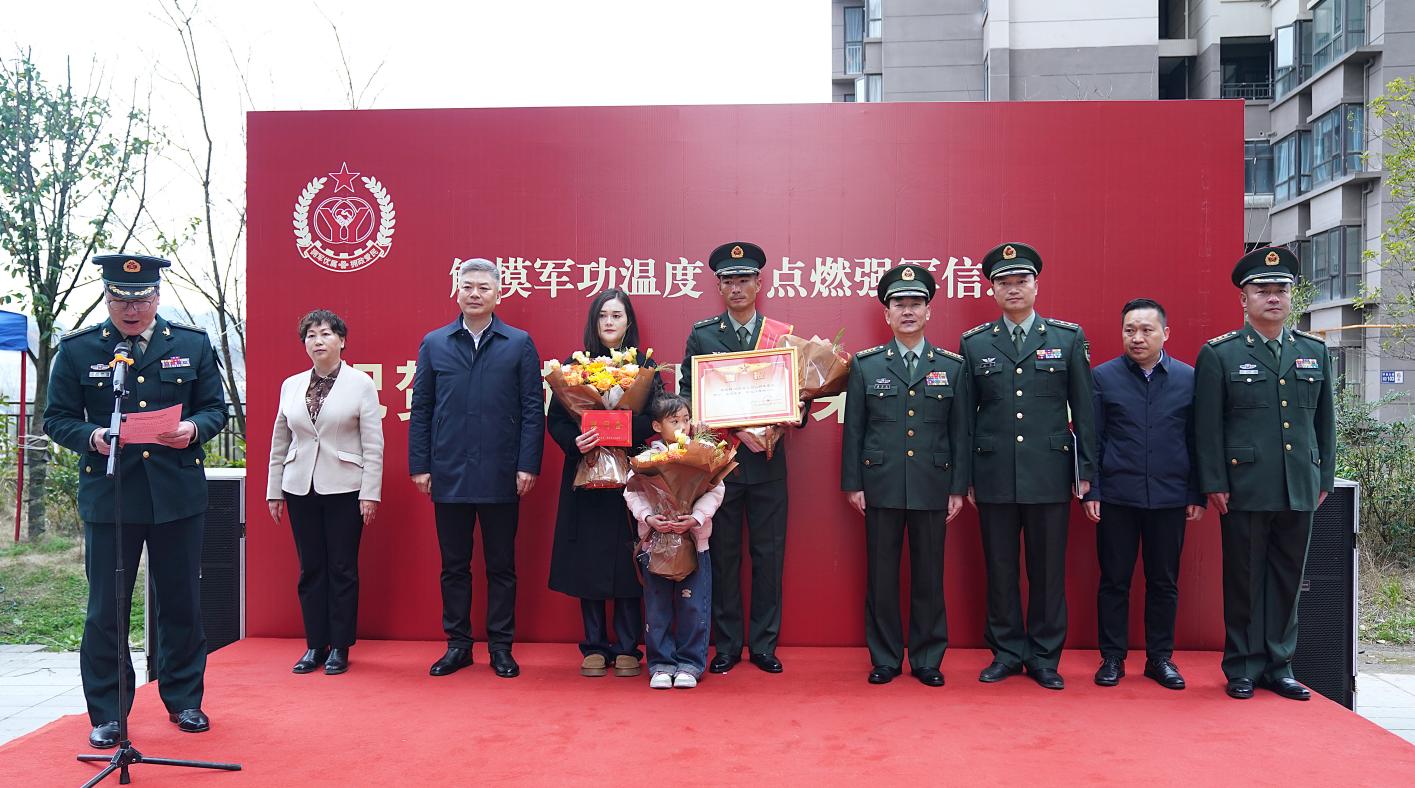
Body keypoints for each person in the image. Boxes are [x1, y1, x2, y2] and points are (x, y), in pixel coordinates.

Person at [44, 254, 227, 748]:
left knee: (181, 601)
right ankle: (108, 712)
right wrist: (93, 436)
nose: (131, 309)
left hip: (176, 494)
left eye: (141, 299)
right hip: (111, 495)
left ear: (157, 297)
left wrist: (193, 429)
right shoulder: (80, 349)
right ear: (106, 299)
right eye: (120, 300)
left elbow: (215, 409)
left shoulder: (190, 344)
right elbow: (56, 418)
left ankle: (184, 699)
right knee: (106, 608)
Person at [1194, 246, 1335, 701]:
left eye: (1281, 290)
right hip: (1245, 487)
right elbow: (1207, 427)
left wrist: (1324, 477)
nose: (1273, 298)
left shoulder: (1313, 351)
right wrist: (1214, 481)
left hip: (1299, 485)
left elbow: (1325, 422)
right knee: (1244, 580)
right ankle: (1242, 665)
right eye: (1262, 290)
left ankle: (1279, 665)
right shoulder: (1221, 353)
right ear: (1244, 299)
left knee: (1288, 578)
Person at [959, 242, 1096, 690]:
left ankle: (1043, 656)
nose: (1013, 288)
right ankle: (1005, 652)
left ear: (1036, 285)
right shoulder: (975, 343)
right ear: (992, 290)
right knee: (1000, 569)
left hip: (1049, 473)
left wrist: (1085, 472)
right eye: (1004, 282)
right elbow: (965, 418)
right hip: (994, 473)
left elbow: (1085, 411)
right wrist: (966, 478)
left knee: (1047, 571)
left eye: (1021, 280)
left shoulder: (1066, 338)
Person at [409, 258, 544, 679]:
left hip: (502, 471)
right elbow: (422, 408)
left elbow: (532, 409)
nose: (474, 294)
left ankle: (501, 647)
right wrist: (420, 465)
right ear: (457, 291)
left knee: (501, 565)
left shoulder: (518, 343)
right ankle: (458, 645)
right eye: (467, 286)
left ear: (498, 294)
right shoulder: (434, 343)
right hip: (448, 470)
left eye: (483, 288)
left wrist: (527, 464)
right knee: (454, 566)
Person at [841, 264, 971, 687]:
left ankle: (928, 657)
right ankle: (885, 657)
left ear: (929, 311)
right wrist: (853, 484)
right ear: (887, 314)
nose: (908, 311)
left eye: (916, 303)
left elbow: (960, 432)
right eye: (900, 304)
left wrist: (957, 487)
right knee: (881, 576)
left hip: (933, 484)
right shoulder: (866, 365)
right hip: (880, 484)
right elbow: (855, 430)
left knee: (929, 576)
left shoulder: (952, 366)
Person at [680, 241, 791, 675]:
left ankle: (763, 645)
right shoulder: (703, 334)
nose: (737, 287)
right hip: (720, 466)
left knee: (769, 558)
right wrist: (718, 425)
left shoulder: (779, 336)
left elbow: (796, 396)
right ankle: (725, 645)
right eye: (729, 280)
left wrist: (785, 421)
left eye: (745, 279)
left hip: (768, 464)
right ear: (719, 286)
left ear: (759, 283)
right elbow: (688, 395)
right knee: (723, 557)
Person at [1083, 298, 1203, 690]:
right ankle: (1112, 657)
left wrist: (1196, 492)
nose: (1137, 337)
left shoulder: (1188, 378)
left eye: (1146, 330)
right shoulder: (1103, 378)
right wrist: (1092, 489)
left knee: (1164, 582)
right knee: (1114, 580)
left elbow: (1197, 440)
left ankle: (1160, 658)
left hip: (1170, 497)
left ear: (1165, 333)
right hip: (1117, 496)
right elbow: (1093, 438)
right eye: (1129, 330)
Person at [547, 289, 663, 678]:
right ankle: (594, 644)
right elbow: (556, 420)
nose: (609, 322)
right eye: (603, 315)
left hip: (631, 476)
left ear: (629, 322)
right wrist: (575, 440)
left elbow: (657, 417)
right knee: (589, 558)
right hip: (586, 472)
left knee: (629, 556)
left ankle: (628, 646)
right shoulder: (573, 367)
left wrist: (622, 430)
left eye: (617, 315)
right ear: (594, 322)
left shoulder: (644, 366)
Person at [266, 309, 384, 676]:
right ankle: (316, 644)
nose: (318, 341)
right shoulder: (291, 385)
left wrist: (370, 493)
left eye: (326, 334)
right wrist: (274, 490)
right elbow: (280, 440)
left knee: (342, 568)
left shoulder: (360, 383)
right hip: (299, 486)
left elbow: (373, 443)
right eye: (311, 335)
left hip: (346, 486)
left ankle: (340, 646)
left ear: (341, 340)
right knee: (311, 568)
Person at [624, 395, 725, 689]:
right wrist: (649, 517)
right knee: (657, 608)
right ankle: (661, 663)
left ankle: (690, 664)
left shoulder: (702, 453)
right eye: (674, 421)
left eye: (686, 420)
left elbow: (715, 490)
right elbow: (632, 492)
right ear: (657, 426)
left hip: (694, 543)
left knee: (694, 606)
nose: (682, 426)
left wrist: (695, 518)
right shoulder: (647, 458)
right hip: (656, 543)